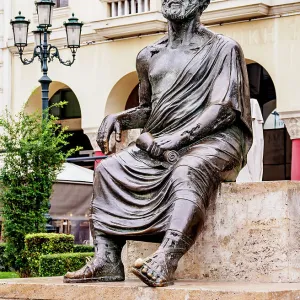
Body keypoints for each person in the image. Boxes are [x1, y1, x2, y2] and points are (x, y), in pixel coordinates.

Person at [64, 0, 252, 287]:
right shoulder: (149, 54)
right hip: (162, 140)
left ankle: (167, 257)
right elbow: (148, 108)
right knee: (108, 169)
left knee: (188, 170)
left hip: (216, 137)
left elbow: (224, 107)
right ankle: (107, 259)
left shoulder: (223, 48)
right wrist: (120, 118)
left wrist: (176, 140)